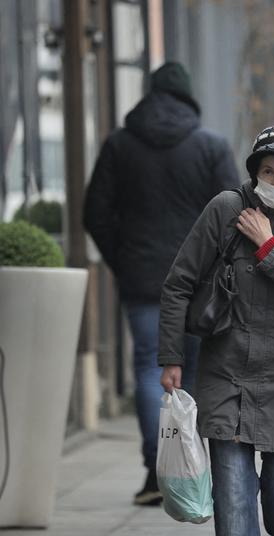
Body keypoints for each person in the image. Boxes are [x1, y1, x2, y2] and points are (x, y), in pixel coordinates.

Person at [157, 124, 274, 536]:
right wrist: (171, 357)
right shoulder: (226, 208)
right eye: (267, 171)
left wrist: (268, 244)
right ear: (254, 170)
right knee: (234, 511)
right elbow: (178, 283)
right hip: (227, 374)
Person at [83, 61, 239, 506]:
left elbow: (95, 212)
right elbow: (234, 215)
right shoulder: (210, 146)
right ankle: (191, 471)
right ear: (188, 96)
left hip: (143, 278)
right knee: (189, 373)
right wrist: (215, 266)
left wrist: (124, 258)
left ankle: (158, 473)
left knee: (151, 371)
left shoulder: (119, 145)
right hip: (199, 283)